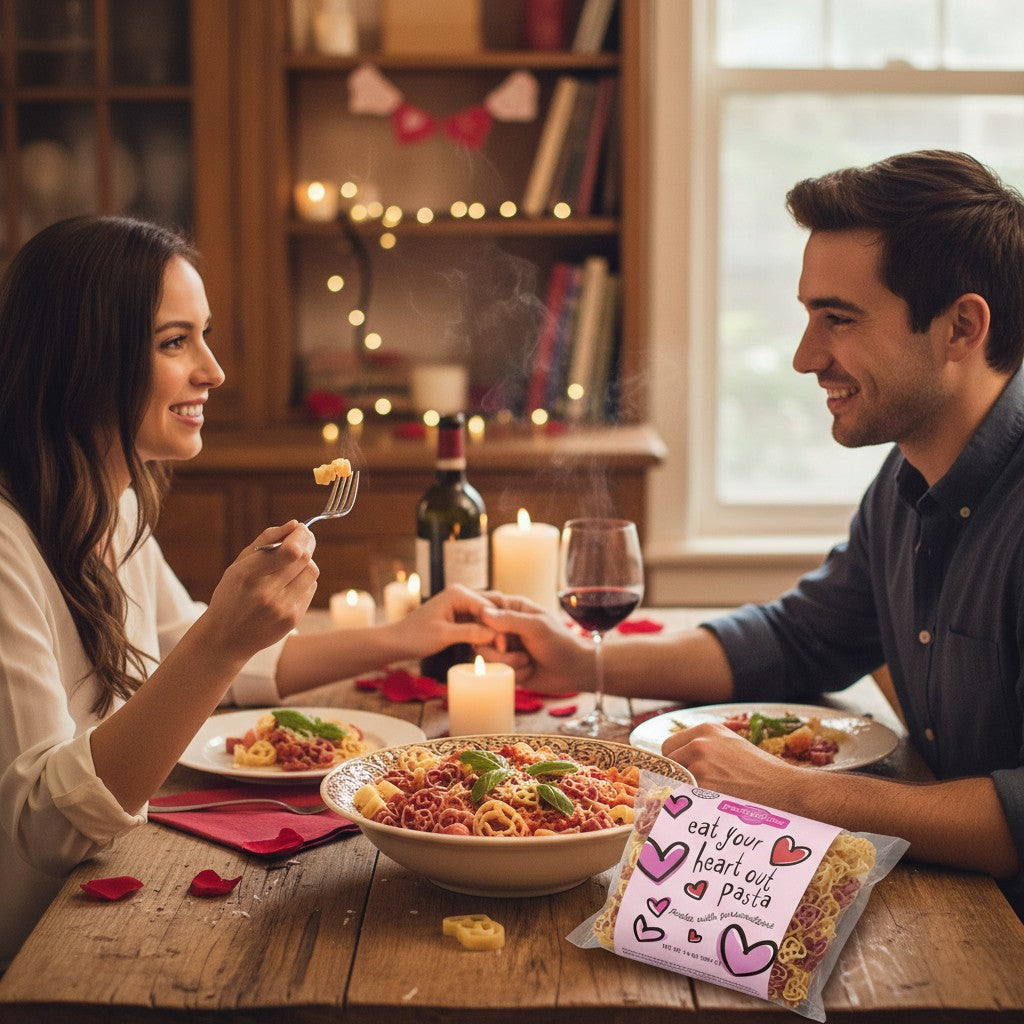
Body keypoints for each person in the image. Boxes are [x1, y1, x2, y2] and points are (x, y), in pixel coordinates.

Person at [479, 150, 1024, 917]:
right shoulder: (902, 487)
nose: (806, 358)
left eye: (838, 319)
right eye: (807, 316)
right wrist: (584, 662)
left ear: (961, 327)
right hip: (944, 900)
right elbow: (797, 639)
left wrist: (791, 791)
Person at [0, 214, 495, 967]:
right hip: (37, 955)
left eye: (204, 335)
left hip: (107, 893)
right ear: (84, 358)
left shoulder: (115, 503)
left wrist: (405, 637)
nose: (213, 371)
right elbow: (45, 825)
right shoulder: (8, 543)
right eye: (175, 342)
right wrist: (223, 638)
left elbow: (195, 650)